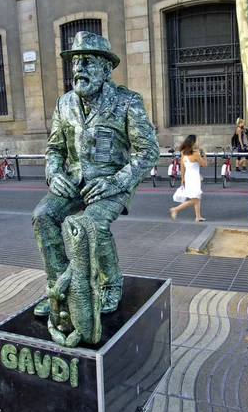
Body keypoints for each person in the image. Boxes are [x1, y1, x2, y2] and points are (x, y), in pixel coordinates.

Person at [32, 31, 159, 317]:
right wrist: (53, 173)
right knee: (43, 216)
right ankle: (62, 289)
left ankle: (110, 285)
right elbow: (54, 149)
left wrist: (116, 182)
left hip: (112, 183)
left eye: (87, 61)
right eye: (75, 62)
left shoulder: (127, 102)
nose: (78, 68)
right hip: (74, 182)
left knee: (91, 224)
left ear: (105, 68)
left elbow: (149, 152)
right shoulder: (63, 104)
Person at [169, 134, 207, 222]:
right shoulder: (195, 154)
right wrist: (204, 154)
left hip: (188, 177)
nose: (198, 143)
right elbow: (204, 164)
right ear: (193, 143)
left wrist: (182, 179)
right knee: (195, 199)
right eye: (197, 141)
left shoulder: (184, 154)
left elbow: (182, 167)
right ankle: (175, 209)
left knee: (197, 196)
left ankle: (198, 216)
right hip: (194, 178)